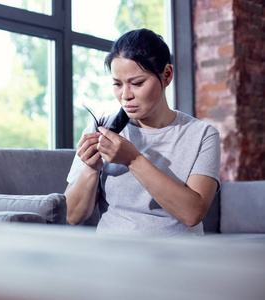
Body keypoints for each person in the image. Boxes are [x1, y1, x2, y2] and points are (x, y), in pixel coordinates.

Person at [65, 28, 220, 236]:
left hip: (179, 261)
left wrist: (133, 160)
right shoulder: (102, 127)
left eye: (137, 83)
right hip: (113, 257)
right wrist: (91, 168)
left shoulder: (203, 135)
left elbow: (192, 213)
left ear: (166, 75)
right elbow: (72, 216)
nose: (125, 95)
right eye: (117, 84)